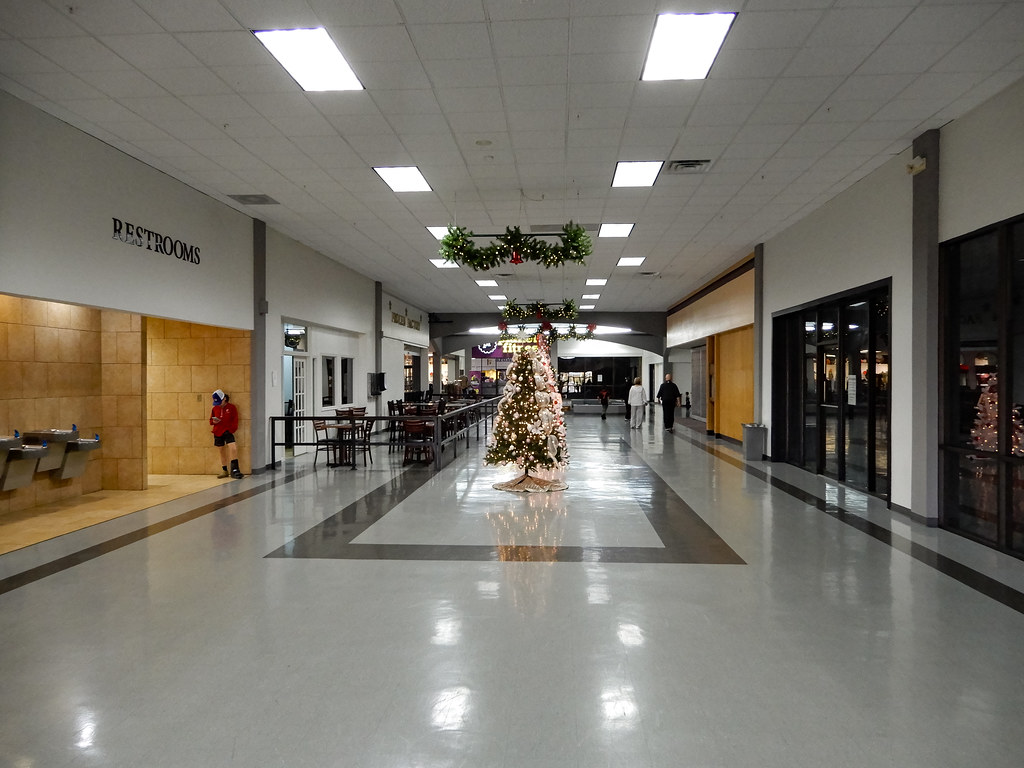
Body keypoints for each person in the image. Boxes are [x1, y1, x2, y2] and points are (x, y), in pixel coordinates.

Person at [210, 389, 243, 479]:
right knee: (221, 451)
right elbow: (211, 421)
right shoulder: (215, 408)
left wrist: (231, 429)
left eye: (220, 402)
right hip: (217, 431)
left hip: (228, 431)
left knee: (233, 448)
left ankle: (235, 469)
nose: (219, 404)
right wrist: (214, 421)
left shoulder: (231, 407)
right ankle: (224, 470)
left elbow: (235, 420)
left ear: (224, 399)